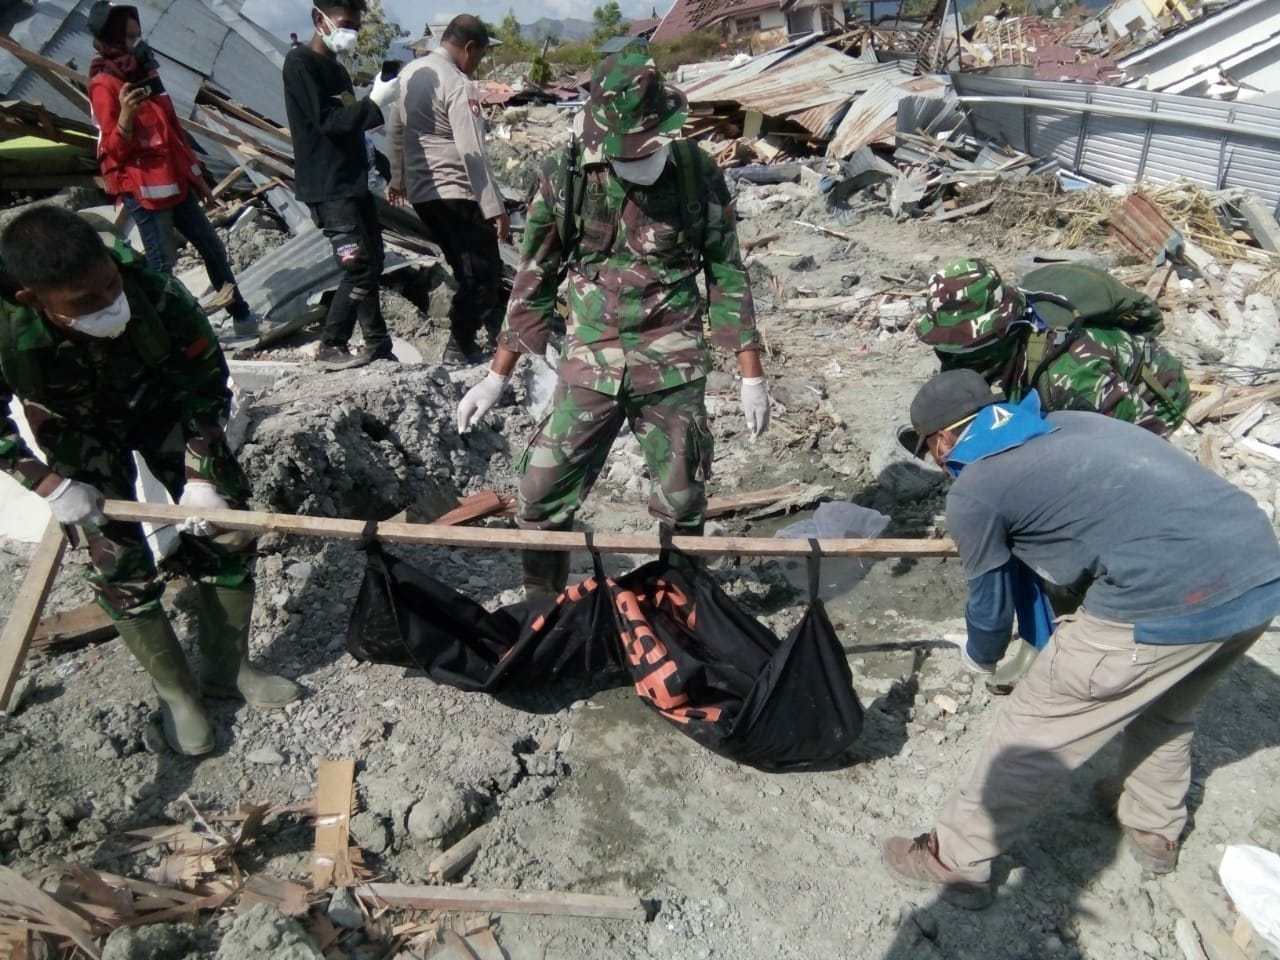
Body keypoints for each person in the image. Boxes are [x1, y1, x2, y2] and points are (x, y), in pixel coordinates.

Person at [883, 369, 1280, 909]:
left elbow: (989, 600)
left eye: (929, 448)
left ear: (945, 439)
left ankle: (954, 858)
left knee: (1034, 726)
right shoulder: (1070, 423)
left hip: (1165, 597)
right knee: (1167, 705)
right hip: (1258, 574)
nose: (937, 461)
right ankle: (1152, 827)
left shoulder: (977, 487)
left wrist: (981, 657)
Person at [456, 50, 770, 597]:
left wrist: (751, 373)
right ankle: (543, 612)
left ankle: (679, 605)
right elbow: (534, 277)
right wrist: (497, 375)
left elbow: (726, 269)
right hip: (591, 363)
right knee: (539, 491)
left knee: (683, 500)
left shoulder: (698, 173)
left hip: (672, 367)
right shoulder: (566, 173)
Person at [0, 208, 302, 756]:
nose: (109, 303)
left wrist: (199, 472)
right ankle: (178, 697)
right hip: (75, 429)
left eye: (110, 286)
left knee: (226, 531)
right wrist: (48, 485)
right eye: (84, 302)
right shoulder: (3, 324)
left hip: (164, 407)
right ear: (33, 299)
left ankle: (228, 669)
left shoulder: (150, 286)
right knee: (117, 563)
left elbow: (207, 382)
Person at [86, 1, 258, 338]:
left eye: (139, 35)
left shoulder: (146, 75)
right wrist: (124, 120)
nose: (138, 42)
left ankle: (241, 315)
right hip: (144, 191)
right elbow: (110, 151)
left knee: (212, 247)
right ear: (112, 38)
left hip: (174, 184)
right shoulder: (104, 84)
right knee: (161, 264)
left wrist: (196, 175)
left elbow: (172, 132)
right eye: (130, 36)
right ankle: (169, 333)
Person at [915, 258, 1190, 438]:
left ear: (1006, 329)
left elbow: (1145, 442)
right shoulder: (999, 355)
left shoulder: (1072, 376)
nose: (953, 359)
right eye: (945, 346)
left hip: (1156, 401)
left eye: (967, 347)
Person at [282, 0, 400, 370]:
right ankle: (332, 343)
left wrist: (375, 161)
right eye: (345, 23)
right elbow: (328, 123)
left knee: (374, 261)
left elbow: (349, 127)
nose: (352, 32)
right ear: (320, 19)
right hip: (328, 186)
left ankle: (377, 343)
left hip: (352, 182)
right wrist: (374, 103)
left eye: (356, 25)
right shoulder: (300, 64)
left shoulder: (336, 69)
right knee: (359, 267)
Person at [387, 15, 509, 365]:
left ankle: (490, 332)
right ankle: (460, 345)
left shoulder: (411, 73)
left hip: (425, 197)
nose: (478, 64)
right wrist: (494, 207)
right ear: (470, 47)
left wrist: (398, 178)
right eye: (481, 56)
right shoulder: (457, 82)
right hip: (456, 192)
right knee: (483, 273)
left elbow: (395, 129)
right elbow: (473, 152)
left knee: (465, 267)